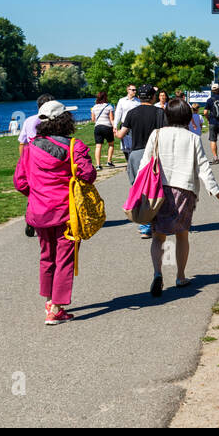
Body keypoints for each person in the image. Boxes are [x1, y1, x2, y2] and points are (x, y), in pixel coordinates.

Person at [12, 100, 96, 325]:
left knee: (46, 256)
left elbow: (20, 182)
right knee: (65, 258)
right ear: (64, 120)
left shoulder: (30, 148)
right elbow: (88, 175)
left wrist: (37, 193)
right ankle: (56, 308)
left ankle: (49, 301)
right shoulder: (74, 147)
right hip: (67, 212)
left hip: (39, 211)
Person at [139, 97, 219, 297]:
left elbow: (145, 164)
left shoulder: (156, 134)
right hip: (184, 190)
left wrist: (138, 190)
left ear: (167, 116)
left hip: (158, 190)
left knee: (158, 236)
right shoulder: (193, 138)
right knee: (181, 234)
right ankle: (180, 275)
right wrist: (217, 192)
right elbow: (204, 168)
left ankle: (157, 273)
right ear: (189, 118)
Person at [117, 83, 168, 239]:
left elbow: (121, 134)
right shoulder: (160, 112)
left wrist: (116, 130)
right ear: (153, 97)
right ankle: (158, 222)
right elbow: (166, 133)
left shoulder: (132, 113)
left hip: (136, 153)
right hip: (155, 153)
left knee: (139, 188)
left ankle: (145, 225)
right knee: (158, 187)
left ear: (139, 97)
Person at [90, 91, 115, 169]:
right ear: (105, 97)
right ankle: (109, 161)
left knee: (98, 146)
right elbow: (112, 119)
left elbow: (93, 119)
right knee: (111, 144)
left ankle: (98, 165)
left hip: (97, 127)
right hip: (107, 127)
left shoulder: (94, 107)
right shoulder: (109, 106)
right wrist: (114, 127)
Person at [113, 83, 141, 155]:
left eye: (135, 90)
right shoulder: (122, 101)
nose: (134, 91)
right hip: (124, 125)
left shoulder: (138, 101)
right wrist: (115, 126)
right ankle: (128, 162)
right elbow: (118, 113)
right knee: (125, 146)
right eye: (133, 90)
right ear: (128, 90)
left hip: (135, 126)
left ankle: (133, 162)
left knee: (134, 144)